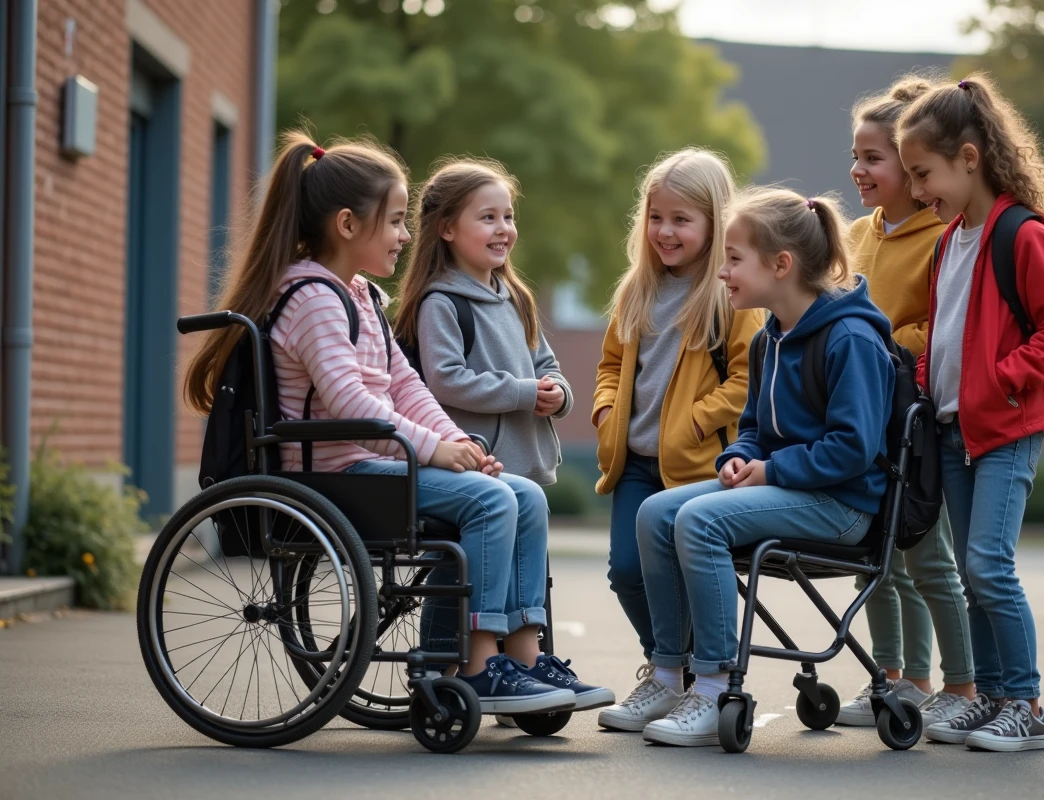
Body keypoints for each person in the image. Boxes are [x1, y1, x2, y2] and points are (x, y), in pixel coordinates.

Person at [183, 131, 581, 717]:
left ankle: (519, 658)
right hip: (337, 474)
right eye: (395, 222)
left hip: (375, 462)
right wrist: (432, 452)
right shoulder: (313, 298)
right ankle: (477, 664)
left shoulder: (362, 294)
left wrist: (454, 441)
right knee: (493, 503)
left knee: (524, 497)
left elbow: (405, 386)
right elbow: (349, 406)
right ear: (348, 225)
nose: (404, 236)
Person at [628, 187, 896, 746]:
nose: (721, 272)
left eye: (733, 258)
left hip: (842, 506)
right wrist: (738, 459)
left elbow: (854, 448)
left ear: (781, 265)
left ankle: (714, 686)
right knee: (656, 512)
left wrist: (770, 472)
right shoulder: (770, 337)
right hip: (791, 490)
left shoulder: (850, 338)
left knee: (701, 522)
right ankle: (668, 674)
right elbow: (752, 429)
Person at [896, 74, 1044, 751]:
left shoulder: (1020, 234)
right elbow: (940, 333)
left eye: (924, 174)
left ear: (969, 158)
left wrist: (1005, 379)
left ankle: (1026, 706)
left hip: (1005, 431)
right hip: (953, 433)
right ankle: (994, 696)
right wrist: (924, 385)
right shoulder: (950, 241)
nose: (918, 190)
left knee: (988, 568)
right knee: (974, 578)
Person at [395, 157, 612, 713]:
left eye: (508, 216)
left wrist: (557, 393)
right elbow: (446, 379)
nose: (503, 229)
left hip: (524, 459)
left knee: (520, 559)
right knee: (471, 559)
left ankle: (523, 659)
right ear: (446, 229)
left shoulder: (516, 298)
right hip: (475, 461)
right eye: (487, 217)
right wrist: (521, 391)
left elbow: (548, 362)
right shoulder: (441, 302)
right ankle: (474, 660)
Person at [592, 149, 762, 732]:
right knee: (627, 570)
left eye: (681, 219)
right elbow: (611, 365)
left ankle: (691, 678)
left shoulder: (730, 294)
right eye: (656, 217)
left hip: (698, 462)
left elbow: (749, 379)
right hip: (635, 460)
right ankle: (673, 671)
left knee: (690, 570)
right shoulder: (636, 290)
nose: (665, 231)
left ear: (715, 222)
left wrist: (694, 420)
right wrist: (606, 408)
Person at [839, 75, 976, 728]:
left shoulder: (941, 237)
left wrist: (875, 340)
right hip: (862, 416)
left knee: (926, 556)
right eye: (857, 156)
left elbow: (941, 326)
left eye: (873, 158)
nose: (858, 169)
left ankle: (950, 684)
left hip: (912, 422)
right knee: (879, 556)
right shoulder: (855, 235)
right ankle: (888, 677)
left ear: (911, 167)